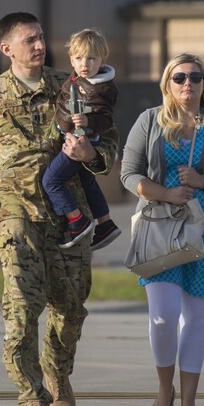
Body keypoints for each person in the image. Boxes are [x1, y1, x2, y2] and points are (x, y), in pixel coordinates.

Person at [0, 12, 119, 406]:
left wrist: (94, 156)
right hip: (16, 215)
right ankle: (30, 396)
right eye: (28, 39)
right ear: (7, 48)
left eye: (41, 37)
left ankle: (57, 373)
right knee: (21, 310)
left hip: (70, 217)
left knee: (70, 309)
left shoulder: (71, 85)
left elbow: (108, 135)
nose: (38, 45)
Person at [120, 53, 204, 406]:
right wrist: (164, 193)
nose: (187, 84)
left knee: (195, 319)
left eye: (194, 77)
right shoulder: (149, 121)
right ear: (167, 83)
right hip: (159, 227)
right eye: (179, 78)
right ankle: (164, 390)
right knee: (162, 316)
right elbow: (129, 173)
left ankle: (189, 402)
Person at [42, 28, 121, 250]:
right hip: (75, 136)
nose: (85, 63)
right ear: (71, 60)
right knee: (87, 181)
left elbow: (105, 118)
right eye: (79, 58)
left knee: (51, 181)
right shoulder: (78, 80)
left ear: (102, 60)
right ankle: (105, 223)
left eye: (91, 58)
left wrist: (88, 122)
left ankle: (76, 220)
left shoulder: (99, 87)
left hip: (79, 143)